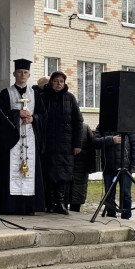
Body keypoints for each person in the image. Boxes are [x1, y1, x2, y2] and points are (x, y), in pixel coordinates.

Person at [0, 58, 47, 215]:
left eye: (25, 72)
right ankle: (10, 206)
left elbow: (43, 115)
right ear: (14, 74)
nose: (22, 75)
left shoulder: (35, 94)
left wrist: (33, 119)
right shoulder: (6, 93)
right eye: (19, 72)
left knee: (30, 171)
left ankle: (29, 207)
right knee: (11, 171)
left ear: (29, 75)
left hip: (29, 138)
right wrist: (18, 114)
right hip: (12, 140)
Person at [41, 71, 83, 215]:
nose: (58, 84)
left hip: (65, 143)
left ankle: (60, 202)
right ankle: (50, 203)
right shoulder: (44, 97)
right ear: (51, 82)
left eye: (61, 81)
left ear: (64, 83)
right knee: (49, 172)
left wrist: (77, 144)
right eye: (56, 81)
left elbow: (78, 121)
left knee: (63, 173)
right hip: (48, 142)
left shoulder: (70, 98)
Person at [93, 127, 135, 219]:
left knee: (126, 193)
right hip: (109, 167)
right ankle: (111, 215)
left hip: (125, 167)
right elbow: (95, 142)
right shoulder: (103, 125)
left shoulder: (128, 124)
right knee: (109, 193)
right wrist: (111, 140)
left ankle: (126, 216)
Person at [69, 123, 96, 212]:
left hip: (80, 167)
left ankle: (75, 211)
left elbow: (91, 148)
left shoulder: (85, 128)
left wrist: (91, 166)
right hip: (66, 166)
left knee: (77, 193)